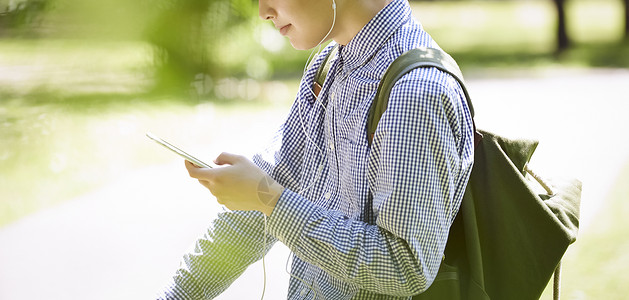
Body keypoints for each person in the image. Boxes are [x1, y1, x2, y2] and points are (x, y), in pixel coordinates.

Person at [158, 0, 474, 298]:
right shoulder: (329, 64)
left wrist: (268, 198)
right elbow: (266, 193)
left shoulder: (415, 93)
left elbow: (407, 266)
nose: (263, 11)